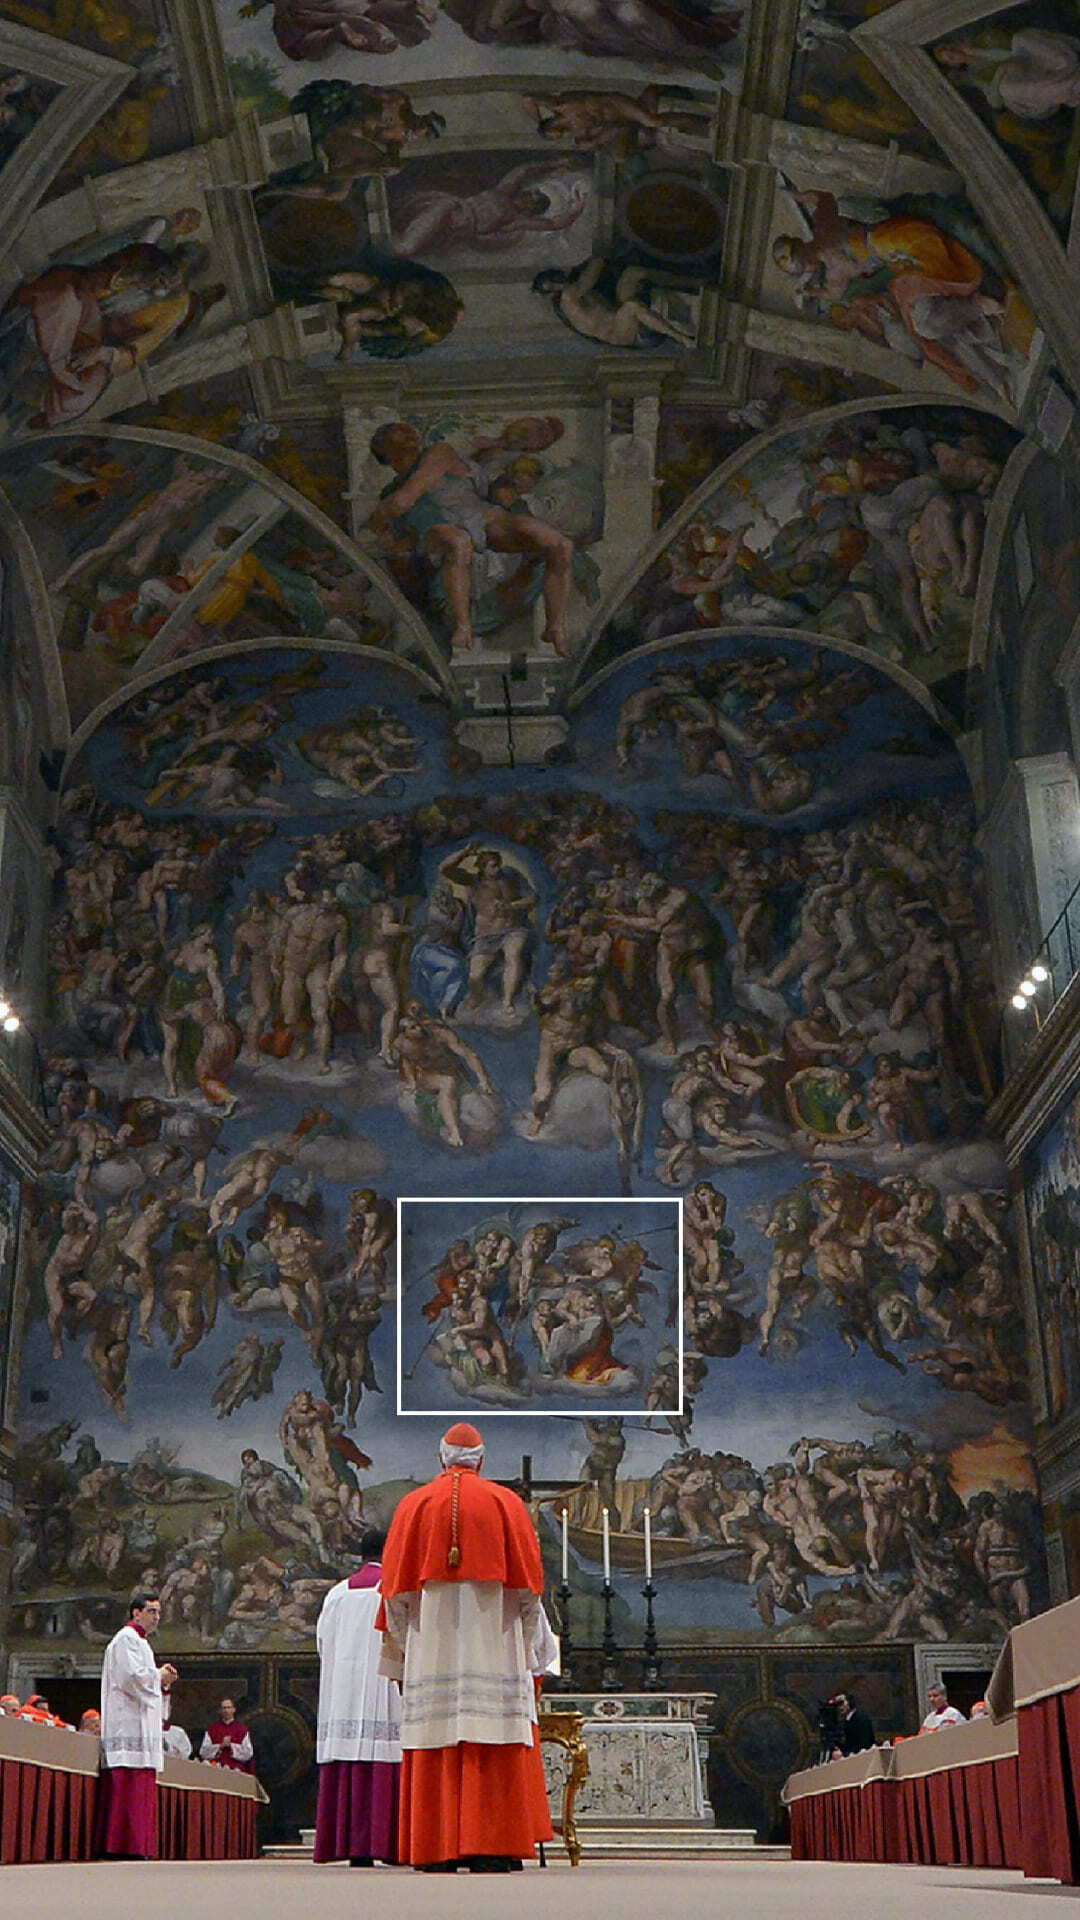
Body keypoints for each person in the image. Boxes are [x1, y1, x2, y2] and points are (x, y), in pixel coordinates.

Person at [377, 1421, 554, 1871]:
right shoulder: (507, 1504)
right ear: (482, 1461)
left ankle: (434, 1850)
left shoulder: (413, 1505)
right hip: (492, 1644)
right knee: (491, 1734)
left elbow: (395, 1595)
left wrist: (403, 1652)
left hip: (432, 1645)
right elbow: (529, 1592)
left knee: (435, 1733)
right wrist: (531, 1649)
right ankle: (492, 1848)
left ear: (441, 1459)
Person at [314, 1526, 402, 1866]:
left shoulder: (336, 1593)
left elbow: (322, 1643)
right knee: (383, 1755)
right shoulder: (392, 1589)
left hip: (344, 1691)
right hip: (383, 1687)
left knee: (351, 1758)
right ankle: (387, 1845)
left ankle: (352, 1848)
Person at [95, 1592, 178, 1858]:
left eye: (159, 1612)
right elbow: (131, 1678)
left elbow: (145, 1681)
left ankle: (139, 1845)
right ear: (136, 1613)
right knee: (127, 1785)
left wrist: (163, 1682)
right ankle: (122, 1845)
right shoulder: (125, 1640)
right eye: (152, 1611)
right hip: (126, 1723)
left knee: (140, 1785)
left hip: (140, 1722)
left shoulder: (141, 1643)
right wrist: (159, 1675)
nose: (157, 1617)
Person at [199, 1696, 254, 1772]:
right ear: (220, 1711)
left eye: (228, 1708)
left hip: (236, 1768)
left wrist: (231, 1746)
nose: (226, 1710)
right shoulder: (212, 1729)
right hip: (215, 1767)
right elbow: (203, 1752)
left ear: (233, 1710)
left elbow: (248, 1753)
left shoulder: (242, 1729)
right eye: (224, 1708)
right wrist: (220, 1746)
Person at [830, 1691, 875, 1757]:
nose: (839, 1707)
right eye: (837, 1705)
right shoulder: (844, 1722)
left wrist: (844, 1754)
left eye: (841, 1703)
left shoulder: (861, 1718)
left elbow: (865, 1744)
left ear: (850, 1701)